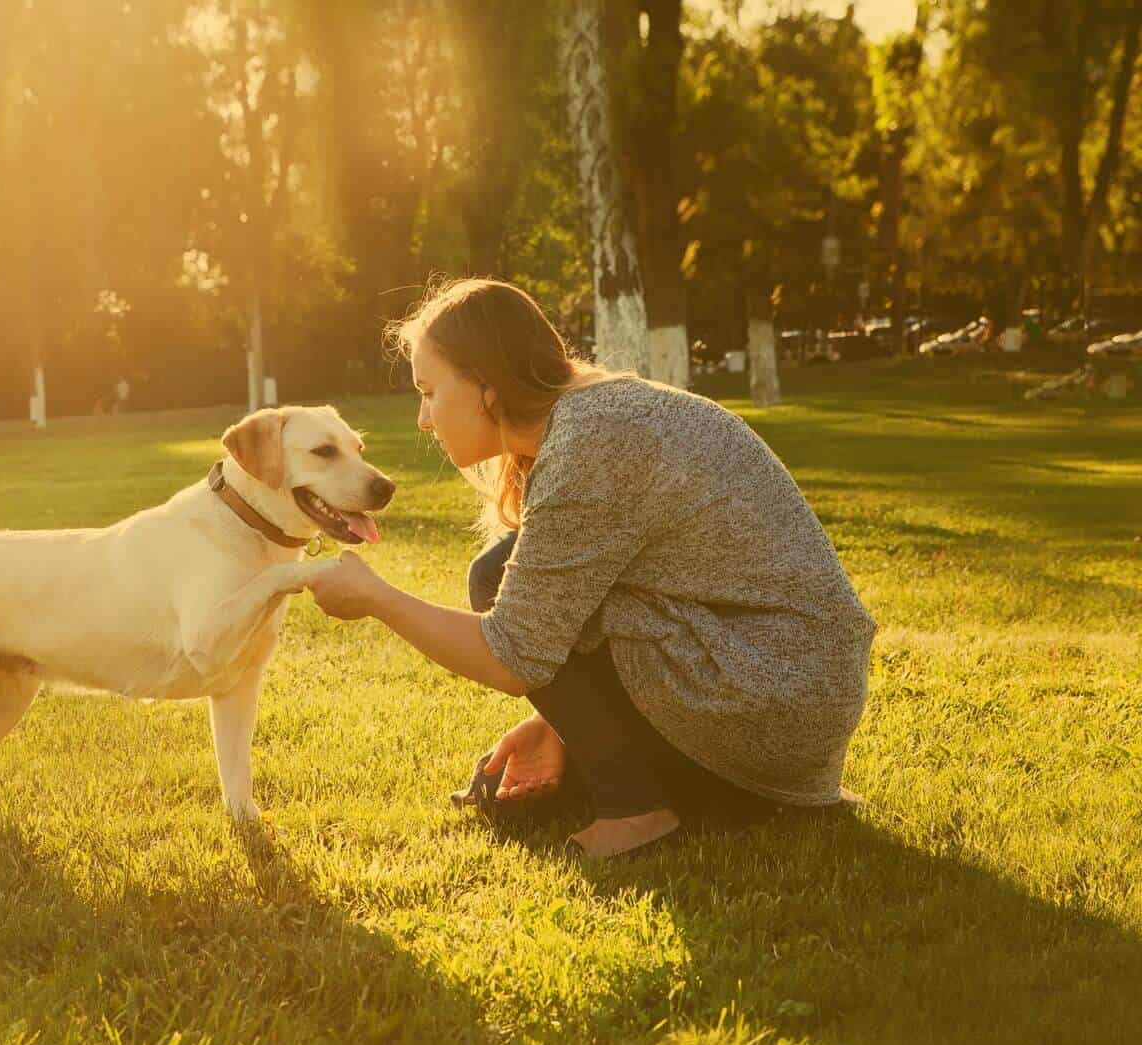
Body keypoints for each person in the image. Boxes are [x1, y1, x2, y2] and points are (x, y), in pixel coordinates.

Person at [304, 279, 875, 857]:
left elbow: (514, 652)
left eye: (429, 390)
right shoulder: (589, 419)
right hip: (779, 682)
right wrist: (567, 729)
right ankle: (656, 785)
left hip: (775, 696)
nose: (424, 419)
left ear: (486, 385)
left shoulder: (592, 442)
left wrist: (376, 599)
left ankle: (636, 811)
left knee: (496, 578)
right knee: (503, 568)